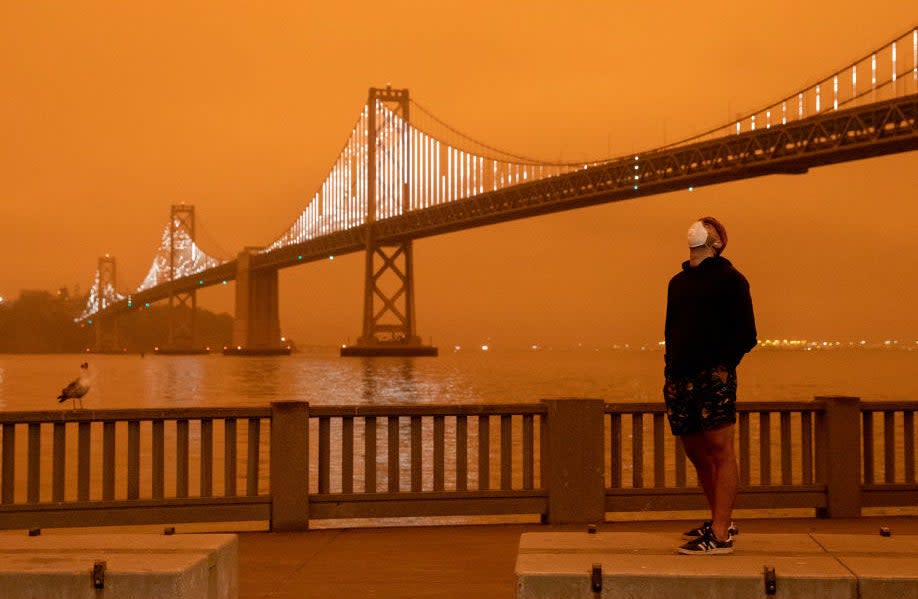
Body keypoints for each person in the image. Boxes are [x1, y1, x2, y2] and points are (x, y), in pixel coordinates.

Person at [663, 216, 756, 555]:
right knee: (695, 452)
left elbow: (748, 335)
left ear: (717, 242)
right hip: (679, 377)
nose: (698, 225)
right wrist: (671, 369)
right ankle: (719, 517)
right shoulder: (677, 282)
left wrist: (721, 367)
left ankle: (720, 533)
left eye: (709, 225)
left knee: (720, 450)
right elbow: (671, 331)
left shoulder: (732, 280)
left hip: (711, 376)